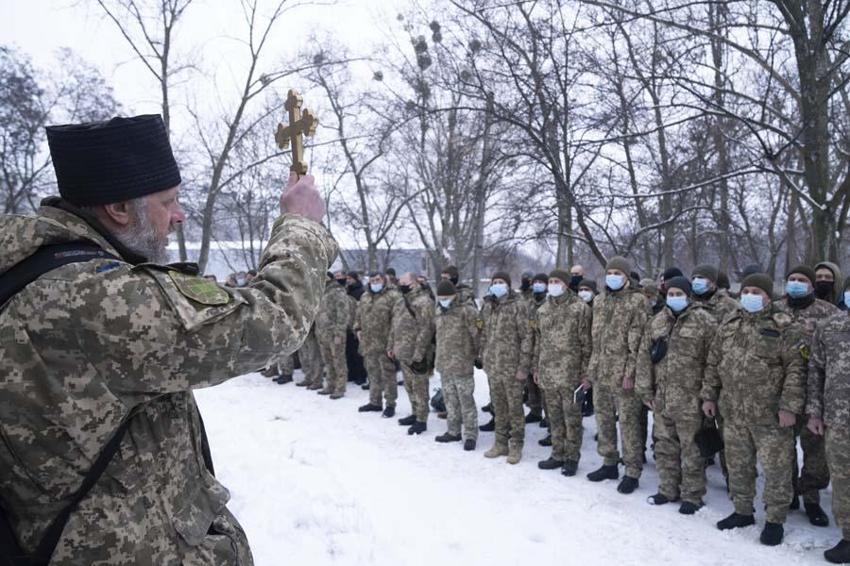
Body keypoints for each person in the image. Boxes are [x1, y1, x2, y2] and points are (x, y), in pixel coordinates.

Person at [0, 114, 334, 564]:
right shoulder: (94, 295)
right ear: (119, 209)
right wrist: (301, 225)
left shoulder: (31, 269)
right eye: (168, 201)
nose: (179, 216)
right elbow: (274, 320)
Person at [701, 273, 805, 546]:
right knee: (738, 465)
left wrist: (789, 406)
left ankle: (775, 519)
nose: (749, 295)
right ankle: (743, 511)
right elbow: (714, 362)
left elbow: (796, 369)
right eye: (746, 291)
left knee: (776, 469)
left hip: (770, 415)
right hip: (733, 410)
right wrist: (709, 396)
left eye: (756, 291)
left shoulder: (784, 326)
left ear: (768, 296)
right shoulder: (730, 323)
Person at [636, 277, 717, 515]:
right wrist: (645, 390)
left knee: (692, 449)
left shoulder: (705, 321)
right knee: (664, 446)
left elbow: (713, 361)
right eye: (670, 294)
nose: (674, 298)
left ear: (688, 295)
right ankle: (667, 489)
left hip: (692, 400)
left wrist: (708, 394)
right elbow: (644, 357)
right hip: (662, 397)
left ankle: (692, 495)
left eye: (678, 294)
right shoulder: (657, 321)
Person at [776, 265, 838, 525]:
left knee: (815, 452)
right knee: (783, 447)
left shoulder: (828, 312)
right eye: (792, 279)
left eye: (801, 279)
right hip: (781, 391)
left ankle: (811, 498)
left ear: (811, 285)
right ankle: (789, 492)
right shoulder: (775, 309)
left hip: (815, 392)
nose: (796, 283)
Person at [585, 256, 648, 494]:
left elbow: (638, 342)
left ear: (626, 277)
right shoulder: (600, 300)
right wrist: (591, 370)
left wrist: (630, 372)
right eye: (609, 272)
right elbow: (595, 339)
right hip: (601, 371)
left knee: (629, 424)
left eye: (617, 273)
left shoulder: (637, 301)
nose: (612, 277)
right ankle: (609, 462)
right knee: (604, 420)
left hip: (623, 374)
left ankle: (632, 471)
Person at [807, 276, 850, 563]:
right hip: (838, 419)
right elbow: (815, 370)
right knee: (844, 480)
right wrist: (815, 411)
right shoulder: (829, 327)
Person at [532, 269, 592, 476]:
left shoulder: (580, 308)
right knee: (554, 418)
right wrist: (536, 367)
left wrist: (586, 374)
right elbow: (538, 341)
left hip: (571, 375)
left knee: (572, 419)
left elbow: (587, 344)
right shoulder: (543, 309)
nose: (553, 285)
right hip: (548, 373)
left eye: (557, 281)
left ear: (566, 284)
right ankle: (557, 454)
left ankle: (572, 457)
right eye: (551, 281)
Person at [479, 272, 533, 464]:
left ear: (508, 285)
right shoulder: (488, 306)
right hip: (494, 366)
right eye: (494, 282)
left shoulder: (518, 305)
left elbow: (527, 337)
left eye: (501, 282)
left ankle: (516, 445)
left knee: (515, 409)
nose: (497, 284)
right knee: (498, 407)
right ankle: (500, 443)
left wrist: (523, 367)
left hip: (512, 368)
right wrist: (483, 355)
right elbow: (482, 331)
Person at [433, 280, 480, 451]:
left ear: (454, 295)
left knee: (466, 400)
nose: (443, 300)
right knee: (450, 400)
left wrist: (477, 355)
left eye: (447, 297)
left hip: (462, 363)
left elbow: (477, 336)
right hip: (444, 363)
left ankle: (470, 434)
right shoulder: (439, 311)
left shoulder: (467, 311)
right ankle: (453, 431)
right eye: (441, 298)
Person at [388, 272, 436, 435]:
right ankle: (415, 412)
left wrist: (419, 353)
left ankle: (422, 419)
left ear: (414, 283)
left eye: (404, 283)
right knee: (409, 386)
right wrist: (391, 345)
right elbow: (395, 325)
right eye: (400, 283)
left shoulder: (424, 302)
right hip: (403, 350)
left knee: (419, 386)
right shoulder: (401, 301)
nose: (401, 286)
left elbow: (426, 329)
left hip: (417, 352)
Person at [355, 272, 401, 417]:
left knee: (388, 375)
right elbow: (359, 315)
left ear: (384, 280)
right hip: (368, 343)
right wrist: (358, 328)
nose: (375, 283)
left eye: (377, 280)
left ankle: (390, 404)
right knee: (372, 373)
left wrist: (393, 343)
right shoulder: (365, 296)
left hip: (385, 343)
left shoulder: (393, 296)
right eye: (372, 280)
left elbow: (397, 320)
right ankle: (375, 401)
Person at [316, 272, 352, 399]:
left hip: (334, 333)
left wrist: (339, 333)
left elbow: (343, 314)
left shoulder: (338, 292)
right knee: (328, 361)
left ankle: (340, 387)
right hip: (323, 333)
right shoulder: (321, 292)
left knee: (338, 361)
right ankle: (330, 385)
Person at [523, 272, 550, 424]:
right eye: (535, 282)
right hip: (529, 346)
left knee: (544, 386)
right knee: (531, 383)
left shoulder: (549, 302)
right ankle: (535, 410)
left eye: (541, 282)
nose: (537, 285)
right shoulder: (529, 302)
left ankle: (549, 416)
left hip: (544, 348)